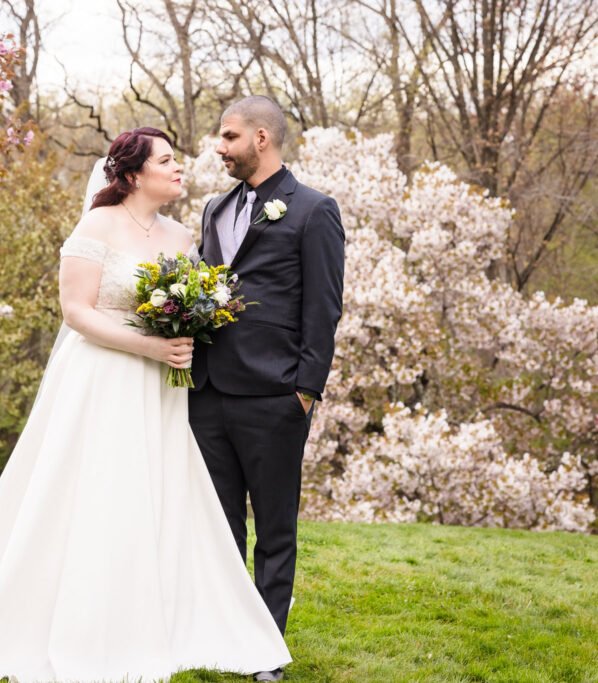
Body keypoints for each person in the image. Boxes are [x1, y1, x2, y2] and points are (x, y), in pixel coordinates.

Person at [0, 127, 290, 682]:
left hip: (161, 390)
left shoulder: (182, 237)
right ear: (133, 174)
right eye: (168, 161)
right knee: (96, 488)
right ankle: (75, 619)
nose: (180, 169)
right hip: (102, 377)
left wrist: (187, 332)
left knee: (157, 491)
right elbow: (77, 312)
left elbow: (194, 304)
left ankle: (160, 616)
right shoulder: (96, 225)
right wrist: (151, 344)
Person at [189, 96, 346, 682]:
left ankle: (265, 652)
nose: (219, 147)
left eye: (228, 137)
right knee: (220, 524)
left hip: (275, 396)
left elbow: (324, 308)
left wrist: (304, 391)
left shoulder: (313, 210)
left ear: (261, 138)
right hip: (206, 393)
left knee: (275, 527)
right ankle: (224, 633)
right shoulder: (214, 208)